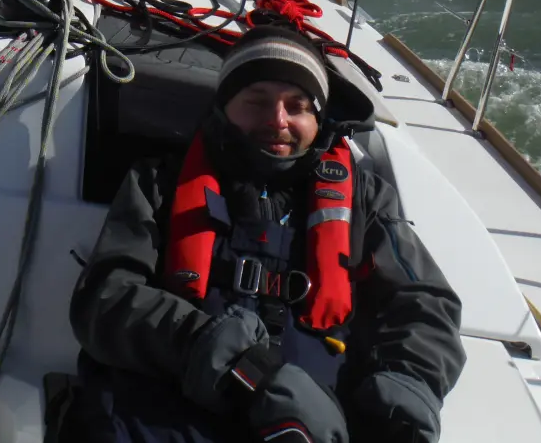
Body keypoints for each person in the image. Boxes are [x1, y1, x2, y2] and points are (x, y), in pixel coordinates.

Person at [67, 23, 466, 443]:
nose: (277, 120)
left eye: (296, 106)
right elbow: (105, 298)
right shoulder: (159, 182)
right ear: (224, 108)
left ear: (318, 117)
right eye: (256, 102)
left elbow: (424, 305)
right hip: (168, 406)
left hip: (321, 421)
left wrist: (402, 396)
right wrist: (245, 369)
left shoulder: (364, 200)